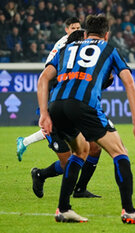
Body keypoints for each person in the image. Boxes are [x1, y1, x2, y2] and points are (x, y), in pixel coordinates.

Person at [37, 15, 135, 224]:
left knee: (81, 151)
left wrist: (44, 113)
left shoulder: (65, 48)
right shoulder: (109, 49)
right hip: (83, 105)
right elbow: (129, 83)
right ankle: (129, 211)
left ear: (85, 33)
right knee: (119, 151)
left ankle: (63, 209)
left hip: (57, 105)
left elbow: (44, 78)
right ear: (106, 35)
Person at [16, 19, 101, 199]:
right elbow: (47, 76)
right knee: (67, 163)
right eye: (73, 28)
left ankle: (80, 189)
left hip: (74, 105)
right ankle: (40, 175)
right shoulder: (62, 48)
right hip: (57, 105)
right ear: (66, 30)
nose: (77, 31)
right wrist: (45, 110)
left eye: (79, 28)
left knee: (94, 147)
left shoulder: (84, 46)